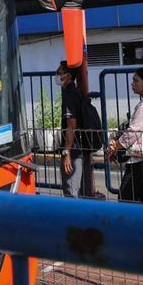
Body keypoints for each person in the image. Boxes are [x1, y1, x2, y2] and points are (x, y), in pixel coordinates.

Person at [105, 68, 143, 204]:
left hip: (140, 160)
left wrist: (115, 146)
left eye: (136, 80)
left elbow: (133, 132)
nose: (132, 84)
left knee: (125, 199)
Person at [58, 60, 91, 198]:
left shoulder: (70, 94)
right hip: (78, 147)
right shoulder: (75, 92)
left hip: (74, 150)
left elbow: (71, 124)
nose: (58, 76)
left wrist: (67, 153)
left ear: (68, 75)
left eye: (59, 73)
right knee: (74, 189)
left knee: (71, 191)